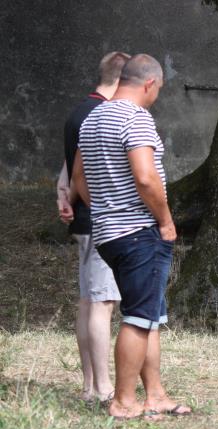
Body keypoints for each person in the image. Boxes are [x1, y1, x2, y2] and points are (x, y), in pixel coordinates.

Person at [71, 54, 192, 420]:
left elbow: (78, 177)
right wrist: (166, 220)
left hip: (109, 235)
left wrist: (106, 210)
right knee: (139, 317)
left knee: (151, 314)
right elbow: (145, 177)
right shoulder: (136, 117)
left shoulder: (94, 118)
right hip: (139, 232)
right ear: (149, 84)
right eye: (158, 91)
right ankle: (124, 401)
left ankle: (154, 394)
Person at [56, 51, 130, 404]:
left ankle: (89, 385)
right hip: (100, 221)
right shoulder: (102, 113)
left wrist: (65, 197)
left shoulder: (76, 113)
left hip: (85, 220)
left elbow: (69, 166)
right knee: (102, 304)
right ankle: (102, 388)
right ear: (120, 80)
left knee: (88, 302)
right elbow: (82, 171)